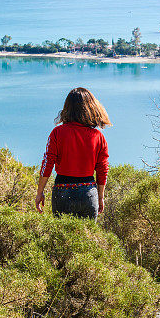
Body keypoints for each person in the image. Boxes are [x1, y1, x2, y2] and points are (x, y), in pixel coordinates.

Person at [35, 87, 110, 220]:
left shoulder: (57, 133)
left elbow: (47, 163)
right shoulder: (98, 136)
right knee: (87, 239)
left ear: (67, 108)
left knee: (62, 239)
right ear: (92, 107)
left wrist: (40, 192)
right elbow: (102, 169)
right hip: (88, 192)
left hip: (63, 191)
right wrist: (100, 197)